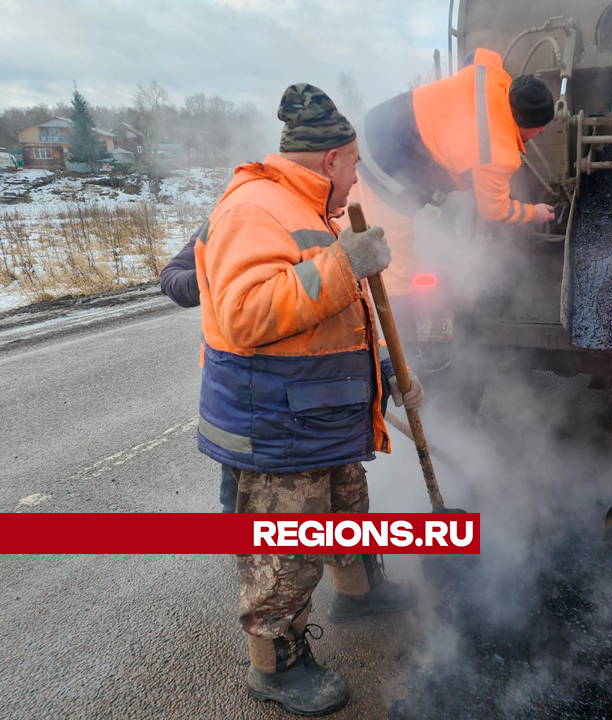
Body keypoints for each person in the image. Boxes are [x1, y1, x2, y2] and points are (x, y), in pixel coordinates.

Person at [195, 83, 422, 717]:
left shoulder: (310, 206)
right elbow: (245, 313)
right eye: (355, 166)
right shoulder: (254, 208)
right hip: (277, 423)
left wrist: (384, 369)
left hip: (320, 412)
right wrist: (345, 265)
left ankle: (358, 588)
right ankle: (275, 663)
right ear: (332, 160)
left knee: (348, 506)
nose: (357, 180)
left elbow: (337, 318)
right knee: (285, 552)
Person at [354, 48, 557, 340]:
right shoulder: (497, 153)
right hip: (382, 173)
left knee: (350, 242)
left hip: (372, 127)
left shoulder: (490, 74)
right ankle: (396, 358)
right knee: (392, 274)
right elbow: (495, 210)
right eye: (539, 129)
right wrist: (533, 212)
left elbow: (479, 53)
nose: (540, 134)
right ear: (527, 125)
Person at [160, 229, 241, 514]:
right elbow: (171, 277)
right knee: (237, 466)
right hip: (235, 379)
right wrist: (211, 276)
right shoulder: (225, 219)